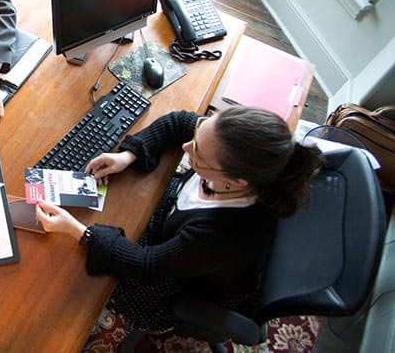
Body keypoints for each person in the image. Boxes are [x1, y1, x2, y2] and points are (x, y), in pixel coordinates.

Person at [35, 107, 323, 349]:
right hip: (180, 241)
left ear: (236, 182)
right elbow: (180, 122)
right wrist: (128, 156)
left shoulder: (223, 235)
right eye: (199, 135)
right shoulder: (237, 154)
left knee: (75, 279)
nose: (187, 147)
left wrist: (78, 231)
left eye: (197, 152)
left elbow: (148, 266)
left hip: (183, 285)